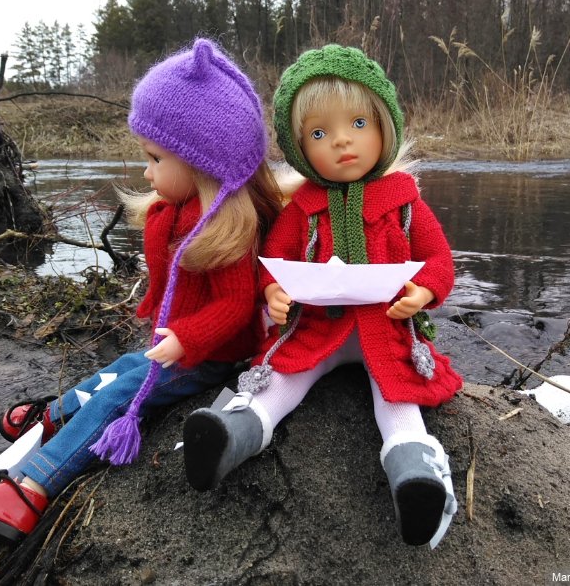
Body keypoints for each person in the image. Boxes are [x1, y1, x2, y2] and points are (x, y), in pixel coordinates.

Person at [0, 38, 281, 543]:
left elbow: (232, 307)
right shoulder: (177, 215)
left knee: (121, 394)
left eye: (155, 158)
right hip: (175, 349)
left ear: (201, 162)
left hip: (209, 358)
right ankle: (52, 417)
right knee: (120, 368)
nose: (146, 171)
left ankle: (31, 488)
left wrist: (186, 338)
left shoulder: (225, 230)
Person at [181, 44, 464, 548]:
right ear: (299, 147)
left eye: (358, 123)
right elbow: (277, 260)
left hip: (387, 327)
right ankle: (234, 435)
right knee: (288, 371)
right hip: (319, 326)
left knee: (394, 389)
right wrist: (274, 294)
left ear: (384, 126)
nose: (341, 143)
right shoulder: (304, 208)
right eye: (318, 133)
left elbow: (440, 259)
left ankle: (414, 473)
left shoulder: (403, 201)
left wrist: (422, 291)